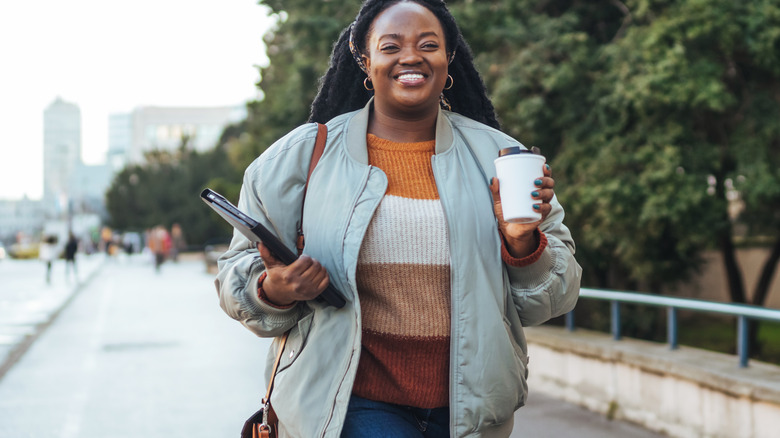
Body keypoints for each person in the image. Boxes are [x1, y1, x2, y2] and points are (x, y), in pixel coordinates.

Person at [215, 1, 581, 437]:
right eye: (391, 46)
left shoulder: (500, 159)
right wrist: (272, 289)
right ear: (366, 63)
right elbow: (236, 276)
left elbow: (554, 298)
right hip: (353, 401)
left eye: (429, 45)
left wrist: (522, 242)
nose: (411, 56)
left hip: (473, 408)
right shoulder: (298, 158)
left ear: (449, 64)